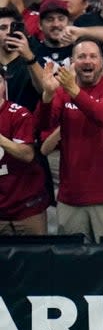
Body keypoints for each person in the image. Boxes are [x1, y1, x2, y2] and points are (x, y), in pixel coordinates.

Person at [37, 37, 103, 241]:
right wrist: (47, 95)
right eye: (81, 56)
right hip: (71, 197)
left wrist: (73, 91)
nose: (87, 61)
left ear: (101, 62)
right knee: (71, 264)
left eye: (93, 56)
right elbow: (42, 126)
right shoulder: (61, 93)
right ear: (72, 62)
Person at [0, 70, 47, 235]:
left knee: (36, 258)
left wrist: (1, 139)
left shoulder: (19, 114)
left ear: (3, 85)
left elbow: (27, 154)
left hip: (26, 206)